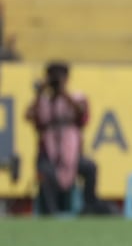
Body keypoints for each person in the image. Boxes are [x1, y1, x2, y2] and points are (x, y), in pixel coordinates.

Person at [25, 61, 115, 215]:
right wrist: (40, 93)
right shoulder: (44, 101)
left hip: (72, 154)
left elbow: (83, 116)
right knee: (44, 171)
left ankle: (89, 205)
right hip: (49, 154)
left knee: (90, 167)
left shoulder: (75, 97)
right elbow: (29, 116)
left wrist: (63, 93)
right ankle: (50, 212)